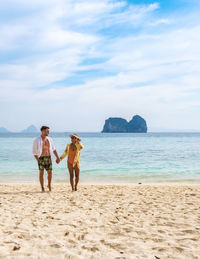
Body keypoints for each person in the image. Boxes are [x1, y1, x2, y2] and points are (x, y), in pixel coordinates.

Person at [32, 126, 60, 192]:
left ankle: (49, 185)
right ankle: (42, 187)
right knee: (41, 173)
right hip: (41, 158)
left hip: (49, 158)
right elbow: (34, 152)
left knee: (50, 173)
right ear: (42, 131)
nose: (48, 132)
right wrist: (38, 160)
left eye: (48, 131)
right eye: (47, 131)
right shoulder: (37, 140)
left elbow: (54, 149)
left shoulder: (50, 139)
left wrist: (58, 157)